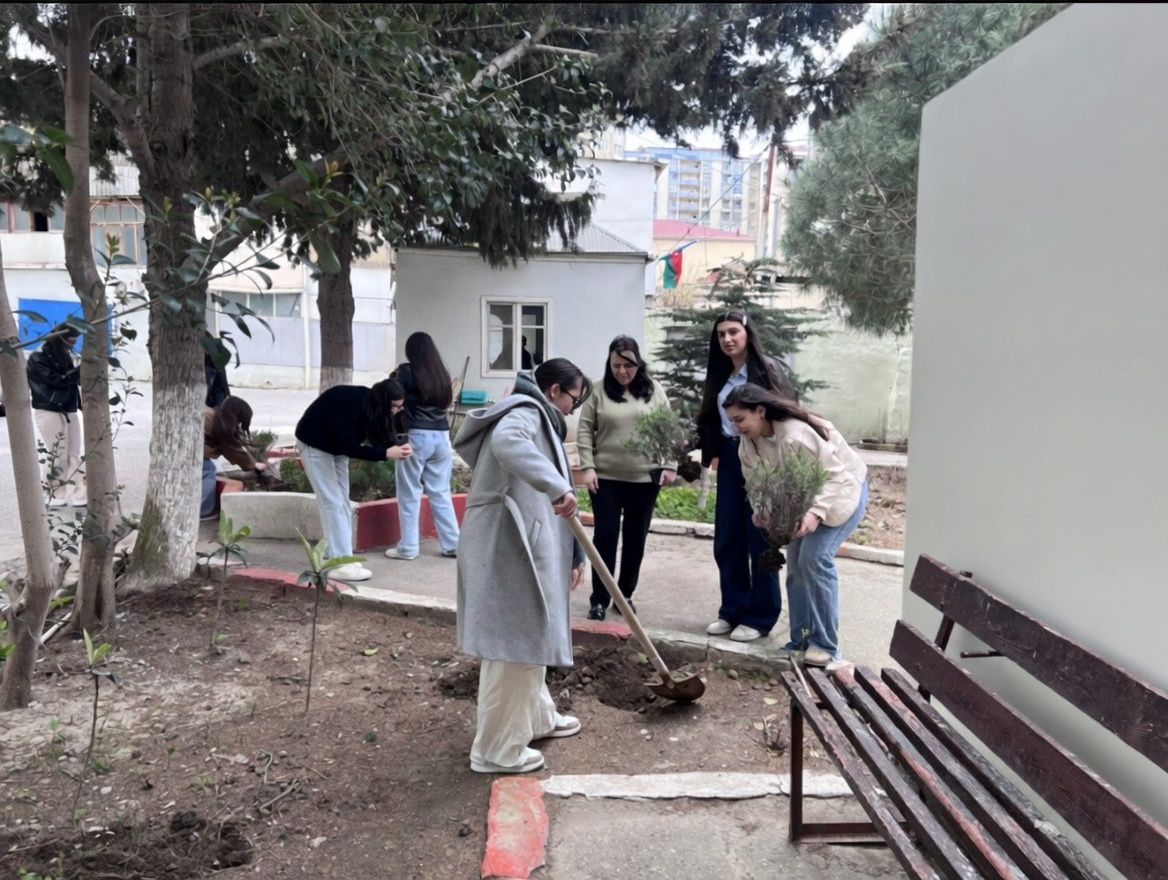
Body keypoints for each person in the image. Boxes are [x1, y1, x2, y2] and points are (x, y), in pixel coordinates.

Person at [453, 358, 590, 774]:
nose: (573, 407)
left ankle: (535, 719)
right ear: (554, 392)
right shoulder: (526, 412)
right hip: (507, 545)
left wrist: (573, 554)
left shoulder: (535, 414)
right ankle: (496, 750)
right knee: (514, 643)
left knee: (528, 636)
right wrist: (558, 485)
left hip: (518, 542)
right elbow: (509, 446)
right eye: (573, 398)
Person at [722, 384, 868, 666]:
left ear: (760, 411)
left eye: (740, 419)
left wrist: (815, 513)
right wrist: (761, 510)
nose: (736, 426)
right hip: (809, 497)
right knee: (796, 566)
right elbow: (755, 483)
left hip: (843, 491)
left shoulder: (795, 434)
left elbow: (835, 475)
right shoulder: (748, 443)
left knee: (814, 559)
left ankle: (826, 646)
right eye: (731, 421)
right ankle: (800, 641)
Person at [695, 309, 797, 643]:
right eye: (721, 334)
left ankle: (761, 616)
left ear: (747, 334)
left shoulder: (766, 370)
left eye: (733, 332)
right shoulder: (721, 373)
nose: (727, 339)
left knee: (760, 535)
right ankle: (732, 610)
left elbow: (785, 413)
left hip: (762, 457)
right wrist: (709, 452)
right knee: (728, 537)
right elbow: (712, 416)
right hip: (729, 457)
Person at [576, 335, 676, 621]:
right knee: (604, 538)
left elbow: (668, 429)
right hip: (604, 478)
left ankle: (625, 595)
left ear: (638, 363)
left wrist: (669, 465)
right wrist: (588, 467)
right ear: (609, 364)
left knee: (635, 539)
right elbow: (584, 431)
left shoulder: (654, 391)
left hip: (644, 481)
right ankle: (599, 598)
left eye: (628, 365)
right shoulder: (598, 391)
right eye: (616, 365)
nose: (622, 371)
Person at [295, 379, 413, 582]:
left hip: (335, 447)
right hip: (315, 444)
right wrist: (385, 453)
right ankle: (340, 565)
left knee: (342, 500)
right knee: (332, 502)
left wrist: (394, 445)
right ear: (384, 401)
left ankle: (340, 554)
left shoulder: (374, 407)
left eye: (400, 407)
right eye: (394, 406)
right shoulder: (351, 405)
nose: (396, 411)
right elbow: (350, 447)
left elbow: (369, 437)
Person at [385, 332, 460, 560]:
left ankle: (408, 547)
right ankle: (453, 544)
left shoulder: (406, 372)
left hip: (416, 436)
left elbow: (391, 397)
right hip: (442, 437)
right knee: (441, 491)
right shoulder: (441, 374)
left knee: (409, 493)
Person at [27, 324, 84, 507]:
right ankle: (53, 493)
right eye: (69, 342)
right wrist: (80, 370)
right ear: (59, 339)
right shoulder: (37, 358)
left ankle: (78, 493)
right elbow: (56, 380)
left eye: (74, 343)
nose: (71, 346)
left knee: (74, 453)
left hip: (69, 409)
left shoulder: (65, 356)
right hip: (48, 409)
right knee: (57, 452)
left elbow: (73, 382)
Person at [203, 395, 269, 520]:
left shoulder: (213, 416)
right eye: (239, 422)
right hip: (185, 457)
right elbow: (232, 449)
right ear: (235, 415)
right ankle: (203, 510)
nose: (238, 426)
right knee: (208, 470)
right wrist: (254, 464)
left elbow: (231, 447)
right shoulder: (210, 419)